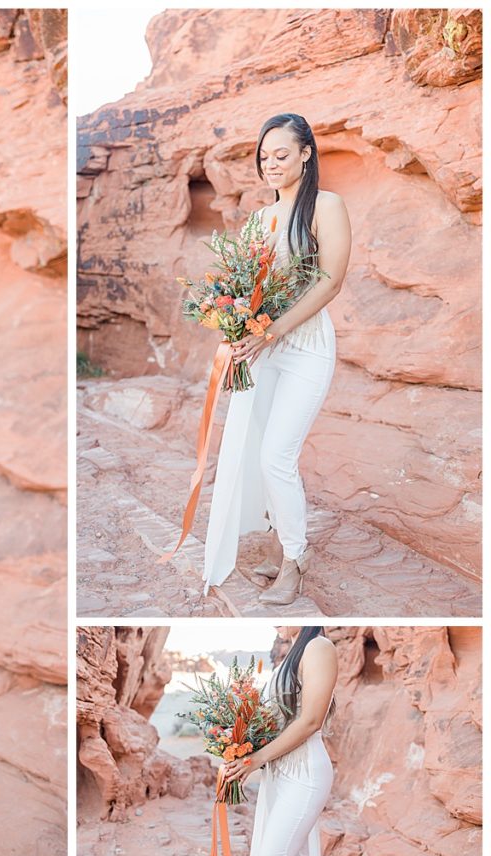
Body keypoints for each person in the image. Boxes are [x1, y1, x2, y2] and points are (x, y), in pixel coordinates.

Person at [202, 113, 351, 604]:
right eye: (264, 157)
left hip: (305, 349)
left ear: (307, 154)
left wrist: (274, 331)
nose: (270, 164)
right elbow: (242, 293)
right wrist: (234, 342)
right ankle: (276, 544)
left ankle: (294, 560)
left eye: (281, 155)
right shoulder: (259, 220)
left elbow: (330, 280)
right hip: (262, 353)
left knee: (276, 455)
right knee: (255, 450)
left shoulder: (326, 207)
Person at [224, 626, 337, 856]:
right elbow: (276, 721)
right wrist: (239, 739)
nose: (276, 623)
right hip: (279, 771)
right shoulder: (292, 654)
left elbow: (311, 720)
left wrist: (257, 758)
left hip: (304, 771)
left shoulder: (319, 647)